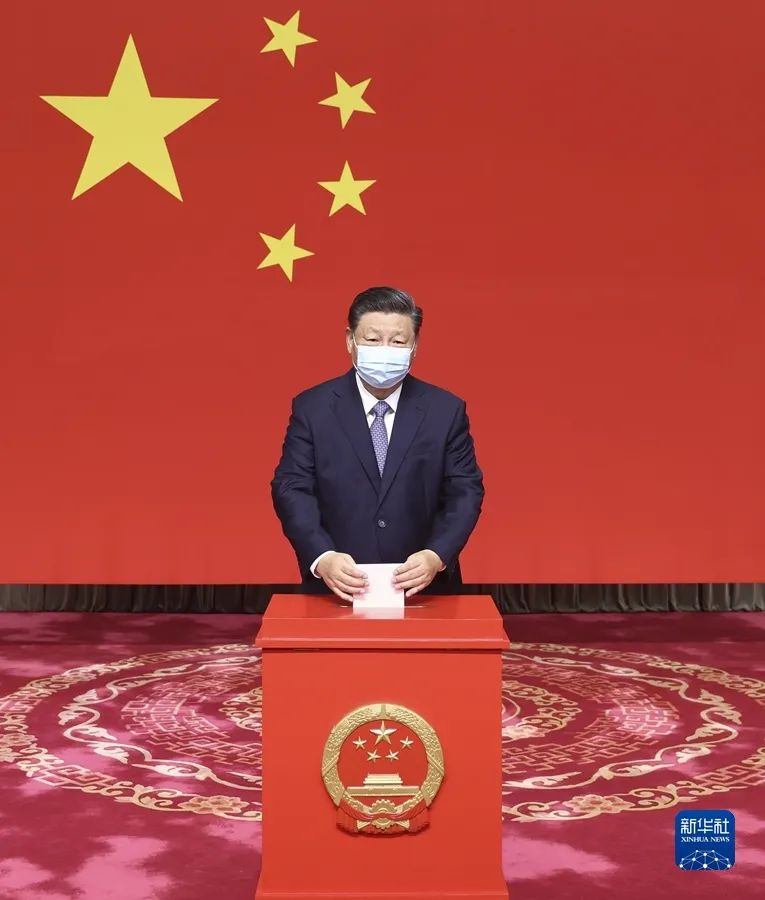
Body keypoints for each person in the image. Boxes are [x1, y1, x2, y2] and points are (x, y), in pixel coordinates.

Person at [271, 286, 484, 602]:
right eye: (372, 339)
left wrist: (436, 554)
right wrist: (322, 556)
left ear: (415, 346)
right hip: (336, 588)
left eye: (398, 342)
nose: (385, 350)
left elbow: (465, 490)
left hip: (424, 589)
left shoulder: (445, 410)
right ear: (350, 340)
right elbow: (291, 487)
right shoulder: (313, 408)